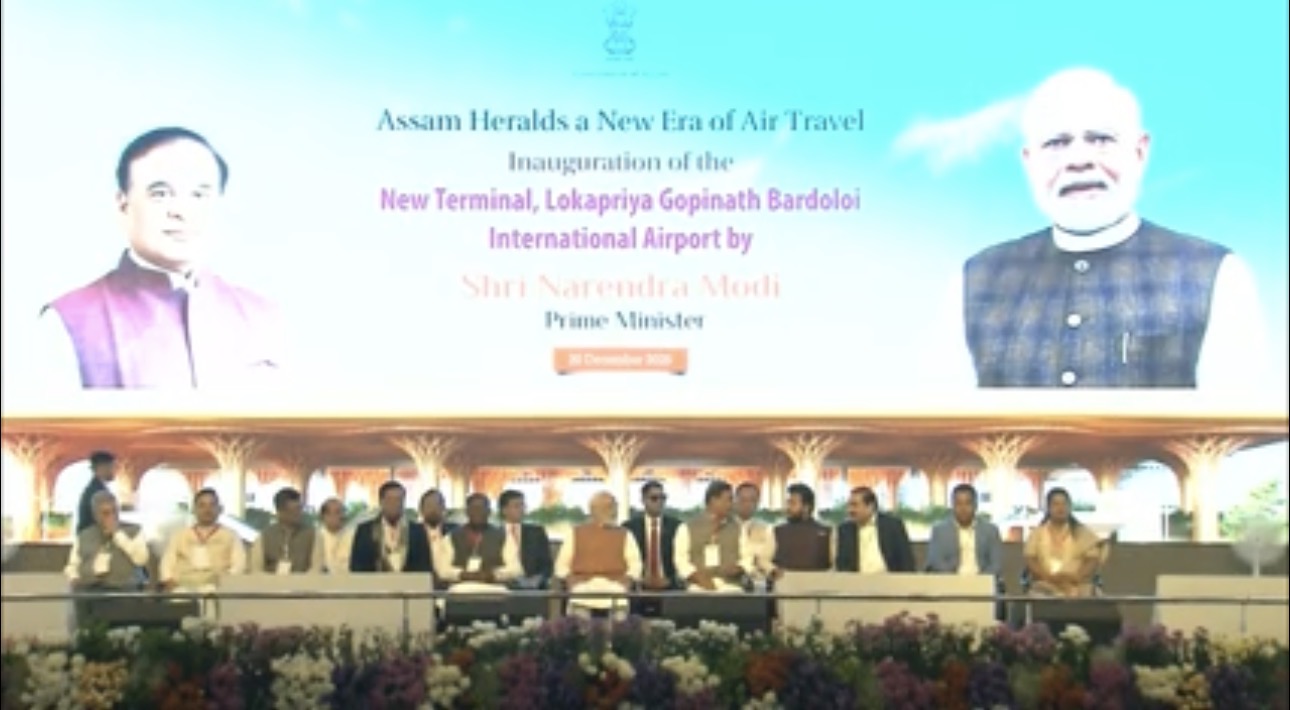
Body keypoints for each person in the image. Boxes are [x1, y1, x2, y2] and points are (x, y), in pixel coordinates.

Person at [941, 67, 1268, 391]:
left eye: (1100, 139)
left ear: (1139, 151)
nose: (1078, 160)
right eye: (1057, 143)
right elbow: (942, 417)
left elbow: (1233, 417)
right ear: (1029, 161)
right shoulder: (975, 279)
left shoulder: (1216, 273)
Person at [36, 126, 288, 389]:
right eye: (161, 194)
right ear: (123, 205)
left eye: (199, 194)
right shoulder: (67, 320)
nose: (182, 211)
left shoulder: (262, 316)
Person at [65, 491, 151, 627]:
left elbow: (141, 559)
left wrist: (117, 535)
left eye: (114, 511)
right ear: (95, 515)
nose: (111, 517)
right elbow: (72, 564)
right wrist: (74, 577)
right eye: (105, 513)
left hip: (122, 588)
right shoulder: (84, 535)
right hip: (89, 589)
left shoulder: (134, 530)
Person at [554, 491, 641, 617]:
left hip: (615, 585)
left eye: (614, 506)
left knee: (620, 613)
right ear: (594, 510)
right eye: (609, 507)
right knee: (579, 612)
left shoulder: (625, 534)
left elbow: (635, 564)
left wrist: (629, 579)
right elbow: (561, 565)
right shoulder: (575, 533)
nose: (614, 511)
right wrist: (569, 579)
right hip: (583, 585)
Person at [159, 488, 246, 607]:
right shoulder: (180, 535)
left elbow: (239, 564)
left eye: (212, 505)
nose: (207, 510)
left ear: (219, 509)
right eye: (202, 505)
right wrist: (168, 579)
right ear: (194, 509)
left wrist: (226, 583)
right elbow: (167, 561)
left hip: (216, 586)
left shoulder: (231, 535)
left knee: (211, 603)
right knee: (179, 602)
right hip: (183, 585)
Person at [1024, 487, 1107, 597]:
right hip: (1045, 585)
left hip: (1078, 585)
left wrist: (1075, 578)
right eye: (1056, 504)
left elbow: (1092, 559)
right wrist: (1049, 578)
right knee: (1037, 595)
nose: (1061, 508)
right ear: (1048, 508)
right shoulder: (1037, 533)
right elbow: (1031, 559)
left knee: (1090, 594)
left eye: (1064, 504)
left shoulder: (1082, 532)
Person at [673, 481, 753, 593]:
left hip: (731, 587)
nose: (732, 504)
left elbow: (748, 558)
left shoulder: (738, 528)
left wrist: (739, 568)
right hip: (698, 588)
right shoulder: (686, 528)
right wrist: (699, 579)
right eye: (728, 499)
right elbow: (681, 561)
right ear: (713, 500)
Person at [434, 494, 523, 589]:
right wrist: (462, 574)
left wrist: (493, 575)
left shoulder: (504, 537)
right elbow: (443, 570)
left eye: (482, 508)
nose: (478, 512)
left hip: (495, 589)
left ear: (489, 511)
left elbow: (516, 569)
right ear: (467, 512)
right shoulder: (451, 537)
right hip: (461, 590)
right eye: (474, 508)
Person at [623, 481, 681, 614]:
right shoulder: (629, 528)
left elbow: (681, 559)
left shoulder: (676, 527)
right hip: (638, 587)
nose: (659, 502)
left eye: (663, 498)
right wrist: (639, 579)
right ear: (643, 500)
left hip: (669, 586)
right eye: (654, 498)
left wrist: (669, 581)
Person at [350, 481, 432, 573]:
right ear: (381, 502)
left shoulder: (417, 531)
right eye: (390, 500)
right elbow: (356, 567)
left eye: (399, 500)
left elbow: (425, 566)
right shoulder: (365, 531)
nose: (395, 504)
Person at [925, 484, 1004, 577]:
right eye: (958, 504)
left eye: (968, 503)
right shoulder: (939, 531)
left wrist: (981, 580)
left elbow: (996, 564)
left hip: (982, 581)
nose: (963, 508)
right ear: (952, 506)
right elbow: (935, 562)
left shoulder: (990, 530)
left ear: (975, 505)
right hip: (950, 581)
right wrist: (956, 580)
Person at [833, 487, 916, 574]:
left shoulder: (893, 526)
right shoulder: (845, 530)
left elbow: (906, 561)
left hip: (890, 579)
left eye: (855, 505)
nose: (850, 510)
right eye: (849, 505)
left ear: (870, 506)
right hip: (856, 581)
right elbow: (842, 565)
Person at [248, 487, 319, 575]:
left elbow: (316, 568)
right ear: (279, 511)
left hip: (304, 582)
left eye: (299, 509)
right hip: (270, 582)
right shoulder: (264, 536)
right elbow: (255, 569)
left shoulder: (312, 535)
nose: (298, 514)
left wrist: (300, 580)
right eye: (292, 511)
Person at [498, 489, 553, 589]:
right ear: (504, 510)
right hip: (501, 585)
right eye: (517, 506)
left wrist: (538, 579)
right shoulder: (494, 534)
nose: (522, 509)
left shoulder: (536, 532)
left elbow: (547, 565)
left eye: (523, 505)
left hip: (532, 586)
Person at [771, 484, 833, 572]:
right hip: (785, 580)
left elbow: (832, 566)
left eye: (793, 503)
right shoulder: (778, 532)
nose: (788, 508)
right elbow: (767, 562)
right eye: (788, 503)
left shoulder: (825, 532)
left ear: (806, 507)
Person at [733, 483, 776, 581]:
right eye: (743, 500)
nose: (747, 504)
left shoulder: (766, 529)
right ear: (734, 501)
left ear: (757, 503)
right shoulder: (725, 528)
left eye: (752, 500)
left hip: (758, 582)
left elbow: (766, 559)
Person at [76, 451, 117, 534]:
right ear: (102, 467)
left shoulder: (92, 488)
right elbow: (106, 524)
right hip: (94, 538)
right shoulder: (99, 492)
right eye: (112, 466)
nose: (115, 470)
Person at [316, 498, 352, 574]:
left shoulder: (353, 536)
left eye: (342, 512)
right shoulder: (316, 537)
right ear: (324, 516)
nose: (341, 516)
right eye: (337, 512)